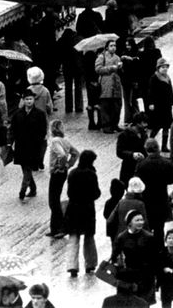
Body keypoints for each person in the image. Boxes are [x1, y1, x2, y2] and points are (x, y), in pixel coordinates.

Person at [64, 149, 101, 277]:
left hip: (73, 208)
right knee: (89, 237)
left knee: (74, 237)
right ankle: (90, 264)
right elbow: (96, 193)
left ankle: (72, 266)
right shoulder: (91, 174)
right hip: (87, 209)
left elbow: (69, 193)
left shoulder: (72, 173)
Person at [9, 89, 48, 201]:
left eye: (30, 99)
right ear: (23, 100)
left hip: (33, 146)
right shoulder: (17, 114)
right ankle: (33, 188)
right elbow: (13, 129)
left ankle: (23, 189)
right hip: (21, 146)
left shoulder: (40, 114)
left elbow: (43, 130)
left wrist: (39, 143)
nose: (29, 101)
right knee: (25, 168)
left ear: (34, 100)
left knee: (28, 168)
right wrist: (9, 142)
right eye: (27, 99)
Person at [113, 209, 159, 306]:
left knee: (144, 303)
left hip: (146, 277)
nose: (140, 222)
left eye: (142, 220)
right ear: (129, 222)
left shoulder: (149, 237)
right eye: (137, 220)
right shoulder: (122, 237)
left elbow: (155, 258)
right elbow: (115, 256)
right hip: (129, 277)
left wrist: (155, 277)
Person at [136, 138, 173, 236]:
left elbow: (138, 183)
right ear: (158, 148)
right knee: (160, 228)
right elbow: (172, 180)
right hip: (161, 198)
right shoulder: (166, 163)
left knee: (148, 226)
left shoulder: (142, 165)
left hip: (147, 200)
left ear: (146, 149)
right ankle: (160, 248)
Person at [47, 119, 79, 238]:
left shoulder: (55, 141)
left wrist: (60, 166)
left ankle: (60, 227)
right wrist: (69, 165)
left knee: (53, 201)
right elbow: (75, 153)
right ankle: (54, 228)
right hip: (63, 173)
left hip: (56, 173)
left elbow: (62, 155)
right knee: (55, 199)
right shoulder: (65, 140)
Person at [147, 58, 173, 152]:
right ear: (158, 68)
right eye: (163, 67)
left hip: (167, 106)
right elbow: (150, 92)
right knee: (156, 126)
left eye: (166, 67)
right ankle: (149, 143)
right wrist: (151, 103)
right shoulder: (154, 78)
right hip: (158, 106)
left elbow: (170, 91)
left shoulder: (167, 77)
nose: (165, 69)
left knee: (166, 127)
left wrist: (172, 102)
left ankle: (164, 146)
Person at [96, 41, 124, 133]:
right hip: (106, 84)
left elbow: (120, 71)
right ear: (107, 47)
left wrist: (121, 67)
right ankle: (106, 126)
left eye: (115, 45)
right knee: (106, 105)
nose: (113, 47)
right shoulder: (102, 57)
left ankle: (114, 124)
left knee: (117, 106)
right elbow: (98, 69)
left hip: (116, 84)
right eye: (111, 46)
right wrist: (111, 68)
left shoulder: (117, 57)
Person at [159, 229, 173, 308]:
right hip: (165, 284)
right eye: (169, 238)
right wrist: (163, 269)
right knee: (165, 305)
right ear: (165, 239)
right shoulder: (161, 252)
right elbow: (158, 266)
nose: (171, 240)